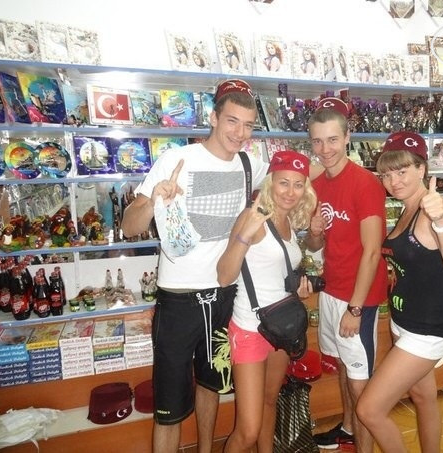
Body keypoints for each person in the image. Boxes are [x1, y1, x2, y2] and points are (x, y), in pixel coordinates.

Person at [121, 79, 269, 453]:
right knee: (168, 409)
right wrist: (153, 200)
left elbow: (295, 176)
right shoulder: (177, 159)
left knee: (211, 385)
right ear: (214, 118)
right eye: (232, 121)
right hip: (178, 300)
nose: (240, 133)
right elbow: (129, 227)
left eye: (248, 125)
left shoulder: (249, 164)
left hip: (224, 295)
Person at [356, 132, 443, 453]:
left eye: (402, 171)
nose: (394, 181)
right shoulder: (407, 209)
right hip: (404, 323)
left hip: (426, 330)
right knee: (423, 396)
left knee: (369, 410)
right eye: (387, 174)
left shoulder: (434, 208)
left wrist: (442, 221)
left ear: (422, 169)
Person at [217, 150, 318, 452]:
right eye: (283, 182)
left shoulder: (288, 223)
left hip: (280, 326)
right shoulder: (253, 217)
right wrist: (245, 235)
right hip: (250, 328)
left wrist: (297, 290)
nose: (290, 192)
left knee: (270, 400)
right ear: (271, 183)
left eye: (298, 184)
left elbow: (274, 273)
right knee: (247, 431)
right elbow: (224, 276)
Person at [306, 97, 388, 453]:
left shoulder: (365, 183)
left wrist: (355, 308)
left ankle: (364, 444)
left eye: (332, 140)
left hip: (359, 299)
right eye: (318, 141)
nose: (325, 149)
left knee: (360, 382)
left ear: (347, 138)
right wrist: (314, 232)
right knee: (342, 365)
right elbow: (314, 245)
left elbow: (372, 251)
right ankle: (348, 428)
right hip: (332, 290)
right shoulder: (319, 184)